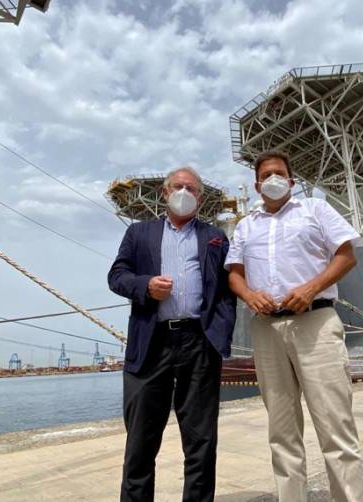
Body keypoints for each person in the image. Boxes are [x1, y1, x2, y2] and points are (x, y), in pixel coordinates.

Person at [225, 151, 363, 502]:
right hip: (266, 329)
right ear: (257, 185)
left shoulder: (315, 210)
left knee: (336, 428)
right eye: (266, 175)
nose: (273, 179)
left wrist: (311, 287)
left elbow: (347, 254)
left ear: (291, 180)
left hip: (315, 322)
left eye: (280, 173)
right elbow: (235, 274)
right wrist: (248, 295)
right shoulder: (246, 225)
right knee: (282, 432)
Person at [108, 166, 236, 502]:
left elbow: (228, 288)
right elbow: (117, 276)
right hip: (151, 343)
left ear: (200, 197)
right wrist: (145, 285)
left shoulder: (215, 237)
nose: (184, 192)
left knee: (201, 441)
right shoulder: (139, 233)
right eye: (177, 186)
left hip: (199, 343)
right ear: (165, 193)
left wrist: (219, 333)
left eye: (191, 188)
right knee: (140, 442)